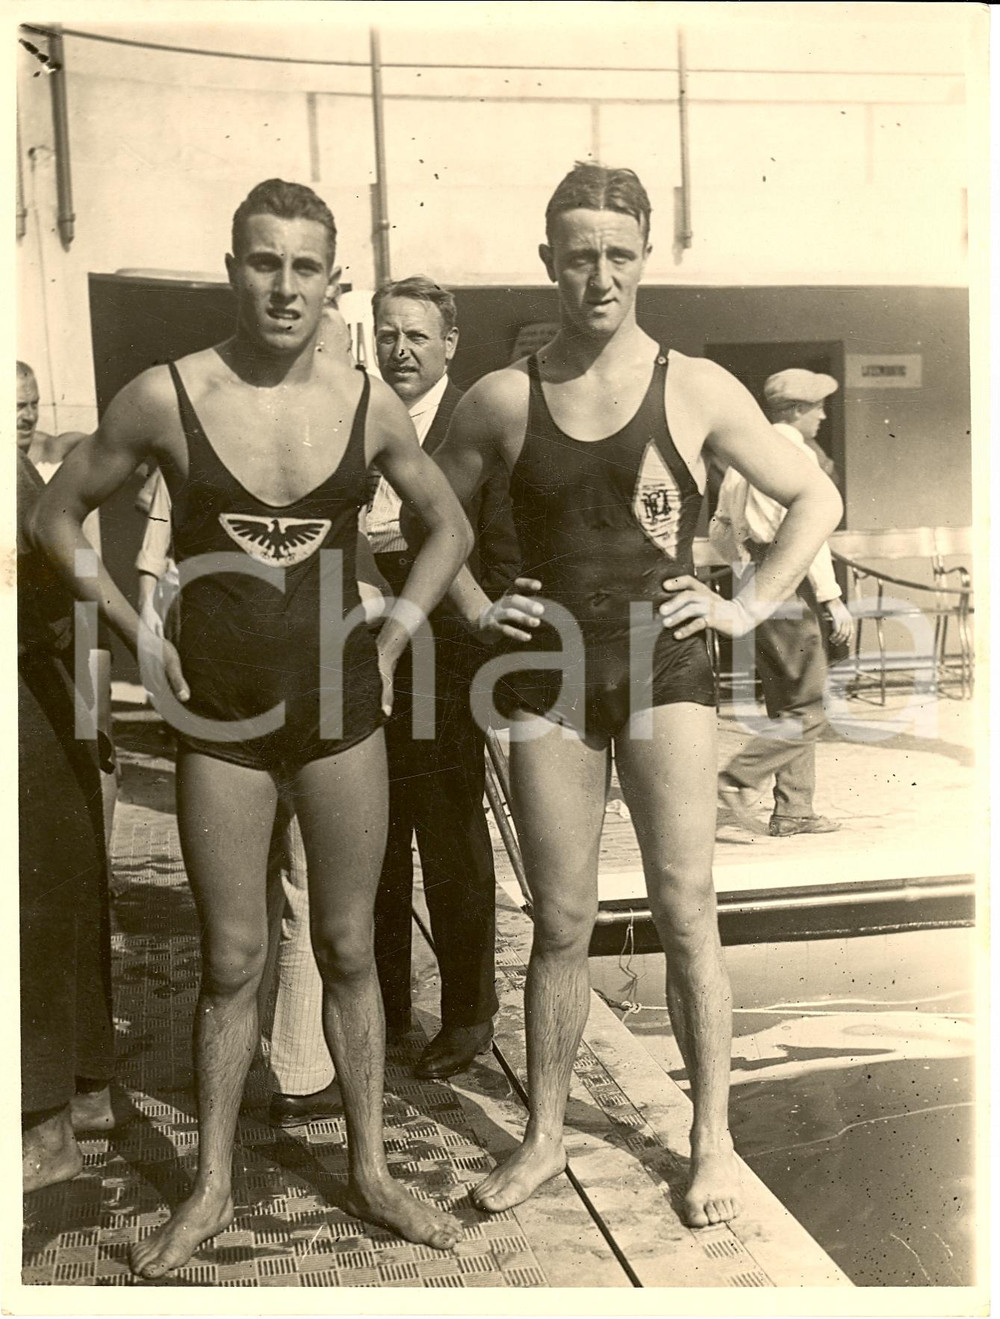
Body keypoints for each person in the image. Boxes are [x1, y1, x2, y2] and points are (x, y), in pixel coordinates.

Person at [32, 178, 472, 1276]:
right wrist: (137, 630)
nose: (283, 286)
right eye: (262, 262)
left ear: (334, 281)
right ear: (233, 268)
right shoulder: (164, 395)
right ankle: (213, 1183)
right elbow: (54, 515)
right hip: (218, 715)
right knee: (231, 958)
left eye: (304, 267)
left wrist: (398, 621)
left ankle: (370, 1167)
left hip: (339, 713)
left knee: (346, 945)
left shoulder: (369, 403)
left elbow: (447, 524)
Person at [423, 163, 843, 1227]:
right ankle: (544, 1135)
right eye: (577, 253)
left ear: (644, 256)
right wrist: (472, 605)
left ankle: (710, 1140)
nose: (598, 273)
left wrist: (747, 607)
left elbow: (815, 496)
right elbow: (425, 506)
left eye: (617, 251)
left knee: (685, 908)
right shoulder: (503, 395)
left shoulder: (694, 384)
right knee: (560, 917)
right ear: (547, 263)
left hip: (666, 668)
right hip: (546, 675)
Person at [367, 275, 519, 1079]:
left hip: (445, 660)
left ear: (449, 343)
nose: (400, 350)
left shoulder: (476, 431)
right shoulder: (355, 417)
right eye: (388, 334)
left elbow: (499, 559)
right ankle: (385, 1010)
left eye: (418, 336)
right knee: (370, 840)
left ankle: (467, 1014)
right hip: (360, 654)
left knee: (451, 841)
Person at [18, 451, 116, 1194]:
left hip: (31, 693)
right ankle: (84, 1090)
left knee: (38, 908)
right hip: (45, 693)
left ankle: (45, 1127)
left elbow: (53, 603)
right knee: (63, 893)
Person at [712, 369, 854, 837]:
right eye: (817, 407)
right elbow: (805, 542)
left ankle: (794, 809)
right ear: (795, 411)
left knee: (789, 702)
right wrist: (833, 599)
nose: (822, 416)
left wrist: (747, 572)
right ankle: (733, 784)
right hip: (789, 587)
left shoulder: (742, 458)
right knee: (808, 708)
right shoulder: (794, 456)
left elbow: (720, 530)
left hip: (756, 583)